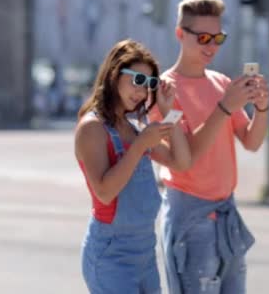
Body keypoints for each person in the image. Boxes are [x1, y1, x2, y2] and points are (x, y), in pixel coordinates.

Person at [149, 0, 269, 294]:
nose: (211, 46)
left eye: (218, 38)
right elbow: (184, 156)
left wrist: (263, 108)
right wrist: (225, 108)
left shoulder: (220, 82)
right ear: (180, 34)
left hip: (226, 213)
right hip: (190, 218)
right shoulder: (165, 91)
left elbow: (252, 142)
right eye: (203, 37)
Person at [75, 39, 191, 293]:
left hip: (145, 252)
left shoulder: (135, 125)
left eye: (149, 83)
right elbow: (104, 192)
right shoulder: (91, 128)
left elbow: (181, 162)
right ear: (115, 75)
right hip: (111, 255)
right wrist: (140, 146)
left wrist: (168, 110)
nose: (142, 91)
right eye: (137, 80)